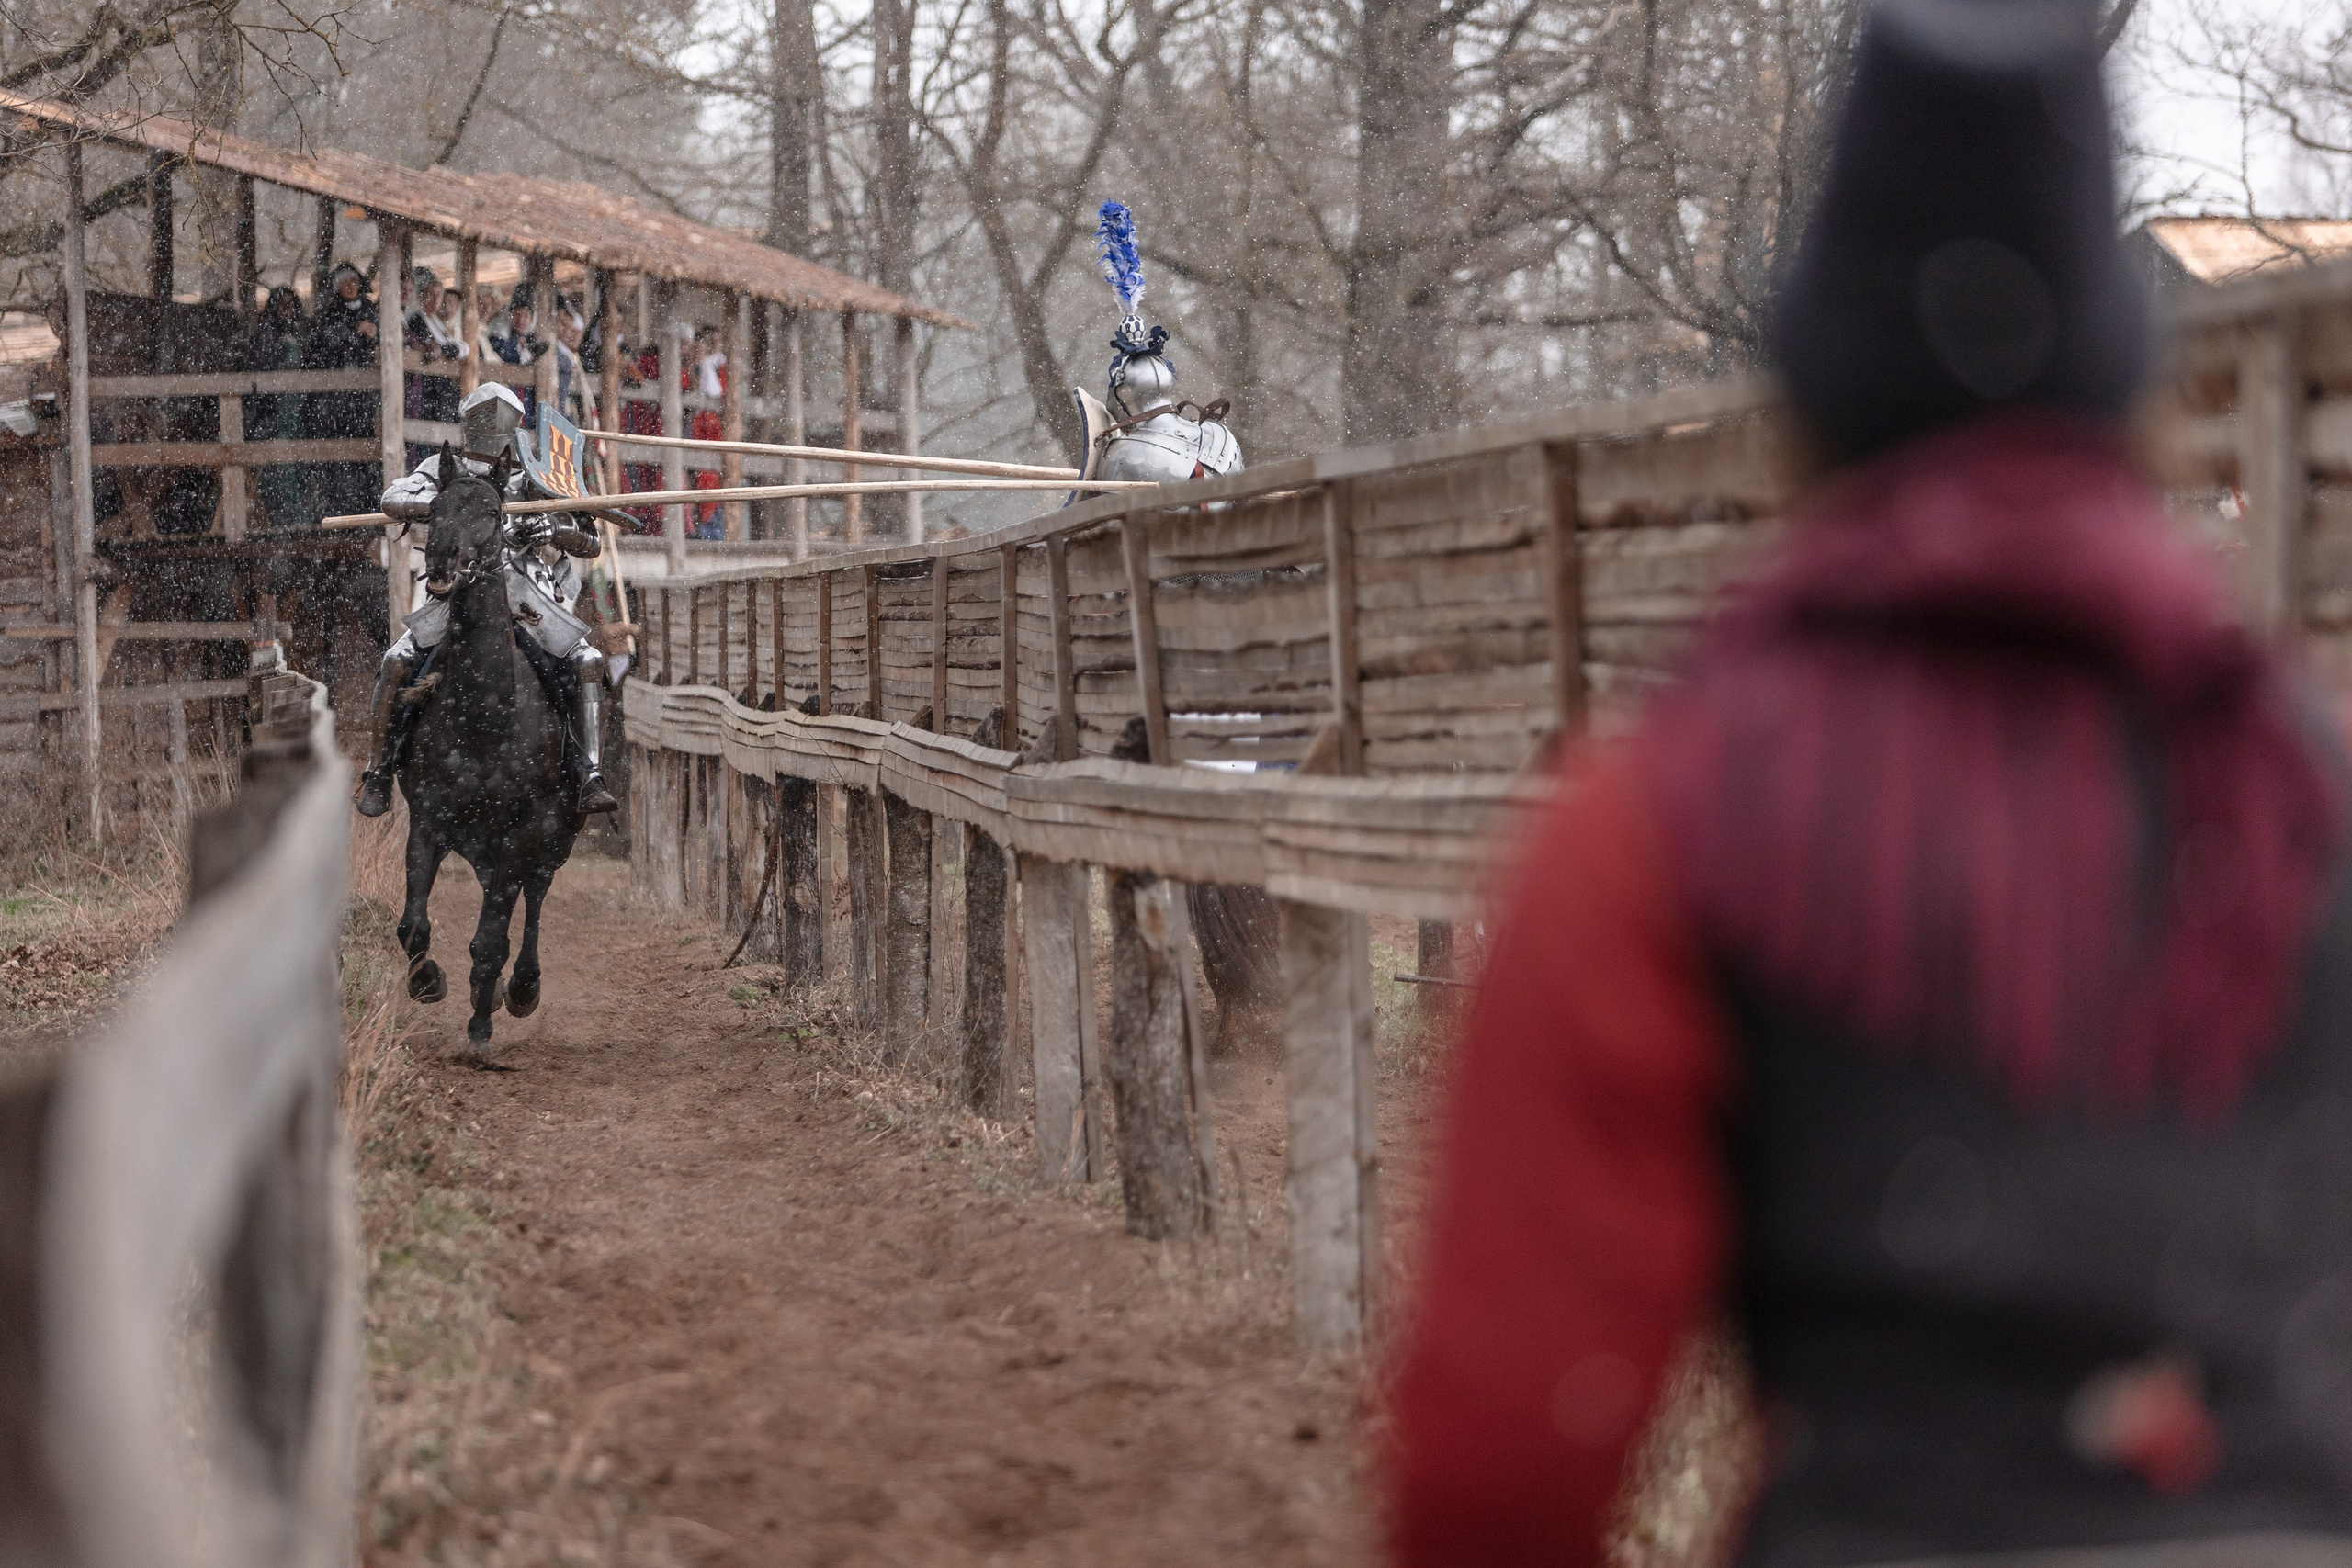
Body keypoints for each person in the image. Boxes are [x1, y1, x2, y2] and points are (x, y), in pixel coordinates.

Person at [1385, 4, 2352, 1566]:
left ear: (1817, 395)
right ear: (2125, 396)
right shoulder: (2304, 787)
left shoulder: (1662, 818)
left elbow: (1500, 1460)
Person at [360, 381, 620, 818]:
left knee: (587, 661)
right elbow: (393, 496)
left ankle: (589, 773)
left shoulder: (535, 474)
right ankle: (379, 770)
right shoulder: (444, 467)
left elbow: (590, 541)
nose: (492, 427)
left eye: (500, 420)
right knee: (396, 661)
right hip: (458, 591)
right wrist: (448, 504)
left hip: (527, 594)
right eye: (484, 419)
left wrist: (554, 529)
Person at [302, 261, 380, 521]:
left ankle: (370, 507)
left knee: (369, 453)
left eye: (355, 281)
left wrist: (373, 335)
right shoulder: (331, 313)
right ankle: (340, 510)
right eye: (346, 282)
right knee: (341, 455)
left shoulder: (372, 309)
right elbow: (325, 344)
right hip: (339, 397)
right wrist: (355, 332)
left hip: (367, 396)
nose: (351, 286)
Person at [243, 286, 310, 528]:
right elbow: (262, 368)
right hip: (272, 413)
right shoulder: (265, 333)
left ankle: (298, 519)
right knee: (277, 468)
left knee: (299, 466)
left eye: (291, 304)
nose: (287, 309)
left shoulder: (301, 332)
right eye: (282, 304)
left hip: (296, 410)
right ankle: (278, 520)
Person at [406, 265, 466, 424]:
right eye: (430, 295)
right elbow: (432, 347)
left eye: (439, 294)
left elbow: (460, 349)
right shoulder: (417, 320)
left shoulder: (439, 323)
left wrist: (446, 349)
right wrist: (449, 349)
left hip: (444, 391)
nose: (436, 299)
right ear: (421, 296)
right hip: (430, 390)